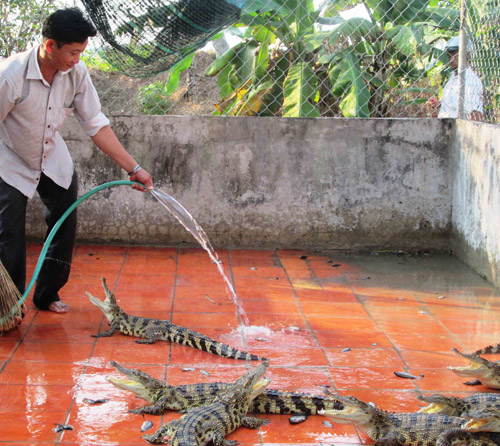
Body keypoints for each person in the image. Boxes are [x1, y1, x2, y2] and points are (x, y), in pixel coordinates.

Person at [0, 8, 154, 315]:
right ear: (49, 46)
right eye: (73, 52)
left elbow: (95, 123)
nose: (77, 59)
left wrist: (134, 168)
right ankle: (9, 307)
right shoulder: (10, 76)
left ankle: (46, 294)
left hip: (51, 156)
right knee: (8, 232)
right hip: (10, 157)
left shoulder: (77, 73)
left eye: (82, 52)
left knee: (64, 221)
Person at [430, 36, 484, 121]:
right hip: (447, 129)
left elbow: (475, 114)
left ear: (467, 54)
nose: (451, 60)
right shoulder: (453, 76)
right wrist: (441, 104)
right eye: (449, 56)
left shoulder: (471, 81)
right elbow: (457, 107)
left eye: (456, 56)